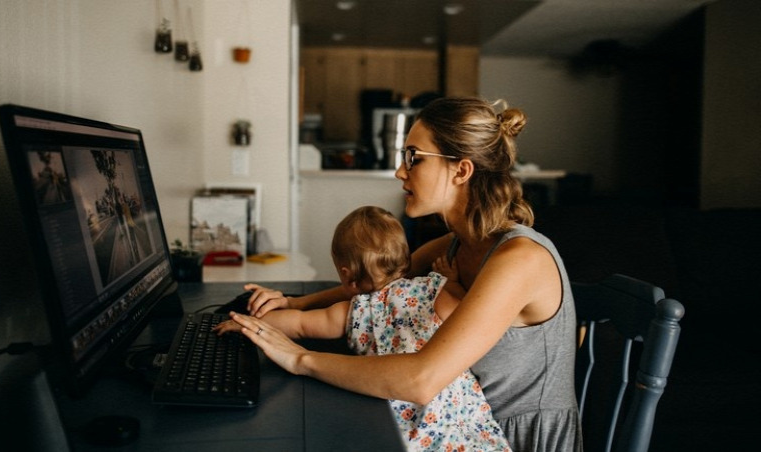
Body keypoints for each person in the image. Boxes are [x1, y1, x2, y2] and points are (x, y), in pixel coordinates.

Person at [226, 97, 582, 451]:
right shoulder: (456, 244)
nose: (400, 171)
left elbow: (421, 379)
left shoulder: (519, 259)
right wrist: (294, 303)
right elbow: (383, 284)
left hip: (506, 439)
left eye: (414, 157)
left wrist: (299, 359)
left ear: (461, 170)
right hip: (451, 426)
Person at [215, 206, 512, 452]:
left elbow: (298, 325)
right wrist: (452, 280)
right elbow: (466, 311)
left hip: (402, 425)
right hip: (458, 420)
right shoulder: (437, 290)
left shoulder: (353, 311)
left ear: (347, 276)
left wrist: (247, 324)